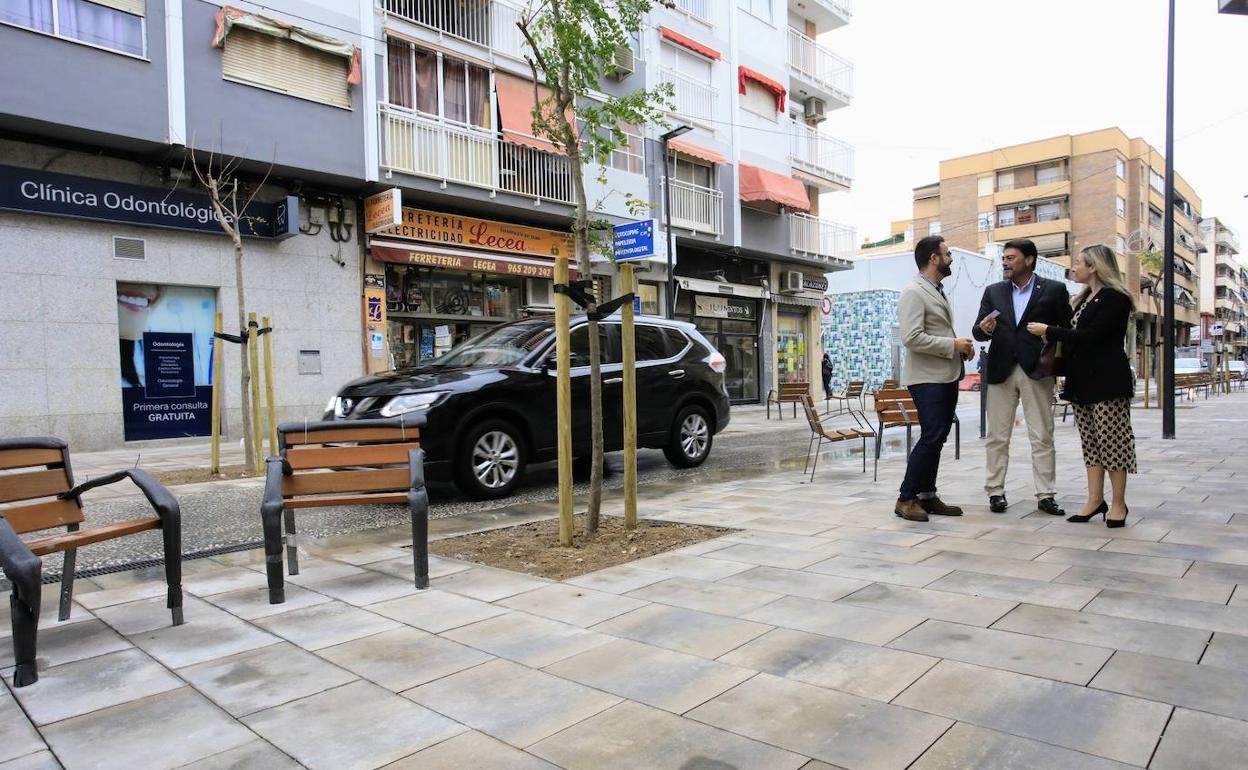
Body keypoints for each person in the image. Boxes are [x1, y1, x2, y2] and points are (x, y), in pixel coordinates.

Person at [1026, 244, 1136, 528]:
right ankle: (1094, 499)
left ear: (1095, 267)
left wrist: (1049, 331)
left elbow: (1093, 336)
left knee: (1112, 441)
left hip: (1107, 380)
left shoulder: (1116, 298)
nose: (1074, 267)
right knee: (1091, 443)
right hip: (1082, 380)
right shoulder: (1084, 298)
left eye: (1079, 262)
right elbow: (1076, 335)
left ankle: (1118, 504)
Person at [973, 239, 1073, 515]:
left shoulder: (1054, 290)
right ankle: (995, 492)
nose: (1005, 262)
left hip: (1037, 369)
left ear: (1029, 260)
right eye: (1004, 258)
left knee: (1042, 434)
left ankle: (1046, 494)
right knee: (997, 436)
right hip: (1000, 369)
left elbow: (1067, 328)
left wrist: (1048, 331)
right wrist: (985, 328)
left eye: (1011, 257)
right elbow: (978, 332)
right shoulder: (993, 292)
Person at [894, 235, 974, 522]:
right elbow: (911, 337)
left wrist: (960, 349)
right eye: (947, 254)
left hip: (944, 374)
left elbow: (935, 332)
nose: (951, 259)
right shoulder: (914, 291)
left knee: (937, 437)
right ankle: (906, 498)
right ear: (934, 258)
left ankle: (927, 495)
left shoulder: (937, 290)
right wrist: (952, 345)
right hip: (927, 378)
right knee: (931, 436)